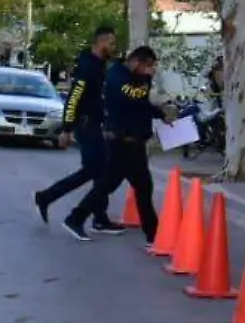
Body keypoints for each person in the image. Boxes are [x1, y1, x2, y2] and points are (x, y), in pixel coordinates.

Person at [63, 45, 174, 244]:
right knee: (130, 187)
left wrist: (161, 115)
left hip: (135, 142)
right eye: (148, 66)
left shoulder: (137, 80)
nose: (151, 71)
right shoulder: (117, 76)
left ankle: (77, 218)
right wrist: (146, 82)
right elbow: (132, 97)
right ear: (136, 62)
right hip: (122, 142)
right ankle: (153, 234)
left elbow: (142, 105)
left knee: (123, 186)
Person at [34, 25, 122, 234]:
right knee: (97, 171)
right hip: (86, 125)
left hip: (93, 124)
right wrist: (67, 129)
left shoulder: (99, 65)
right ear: (100, 43)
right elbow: (74, 98)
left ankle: (98, 217)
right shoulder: (87, 67)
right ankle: (58, 204)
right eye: (110, 43)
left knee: (97, 173)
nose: (113, 46)